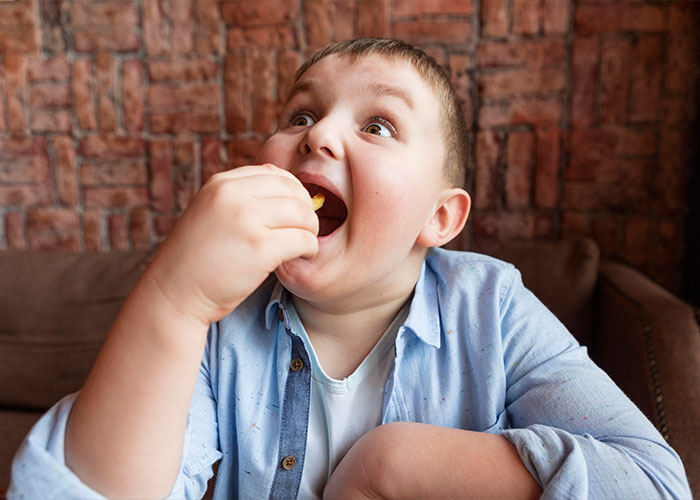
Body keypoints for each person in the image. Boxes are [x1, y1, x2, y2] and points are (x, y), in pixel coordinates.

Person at [9, 38, 690, 500]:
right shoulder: (219, 321)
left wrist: (390, 465)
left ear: (440, 218)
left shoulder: (493, 309)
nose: (319, 134)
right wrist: (173, 299)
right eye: (301, 113)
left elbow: (655, 483)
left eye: (379, 125)